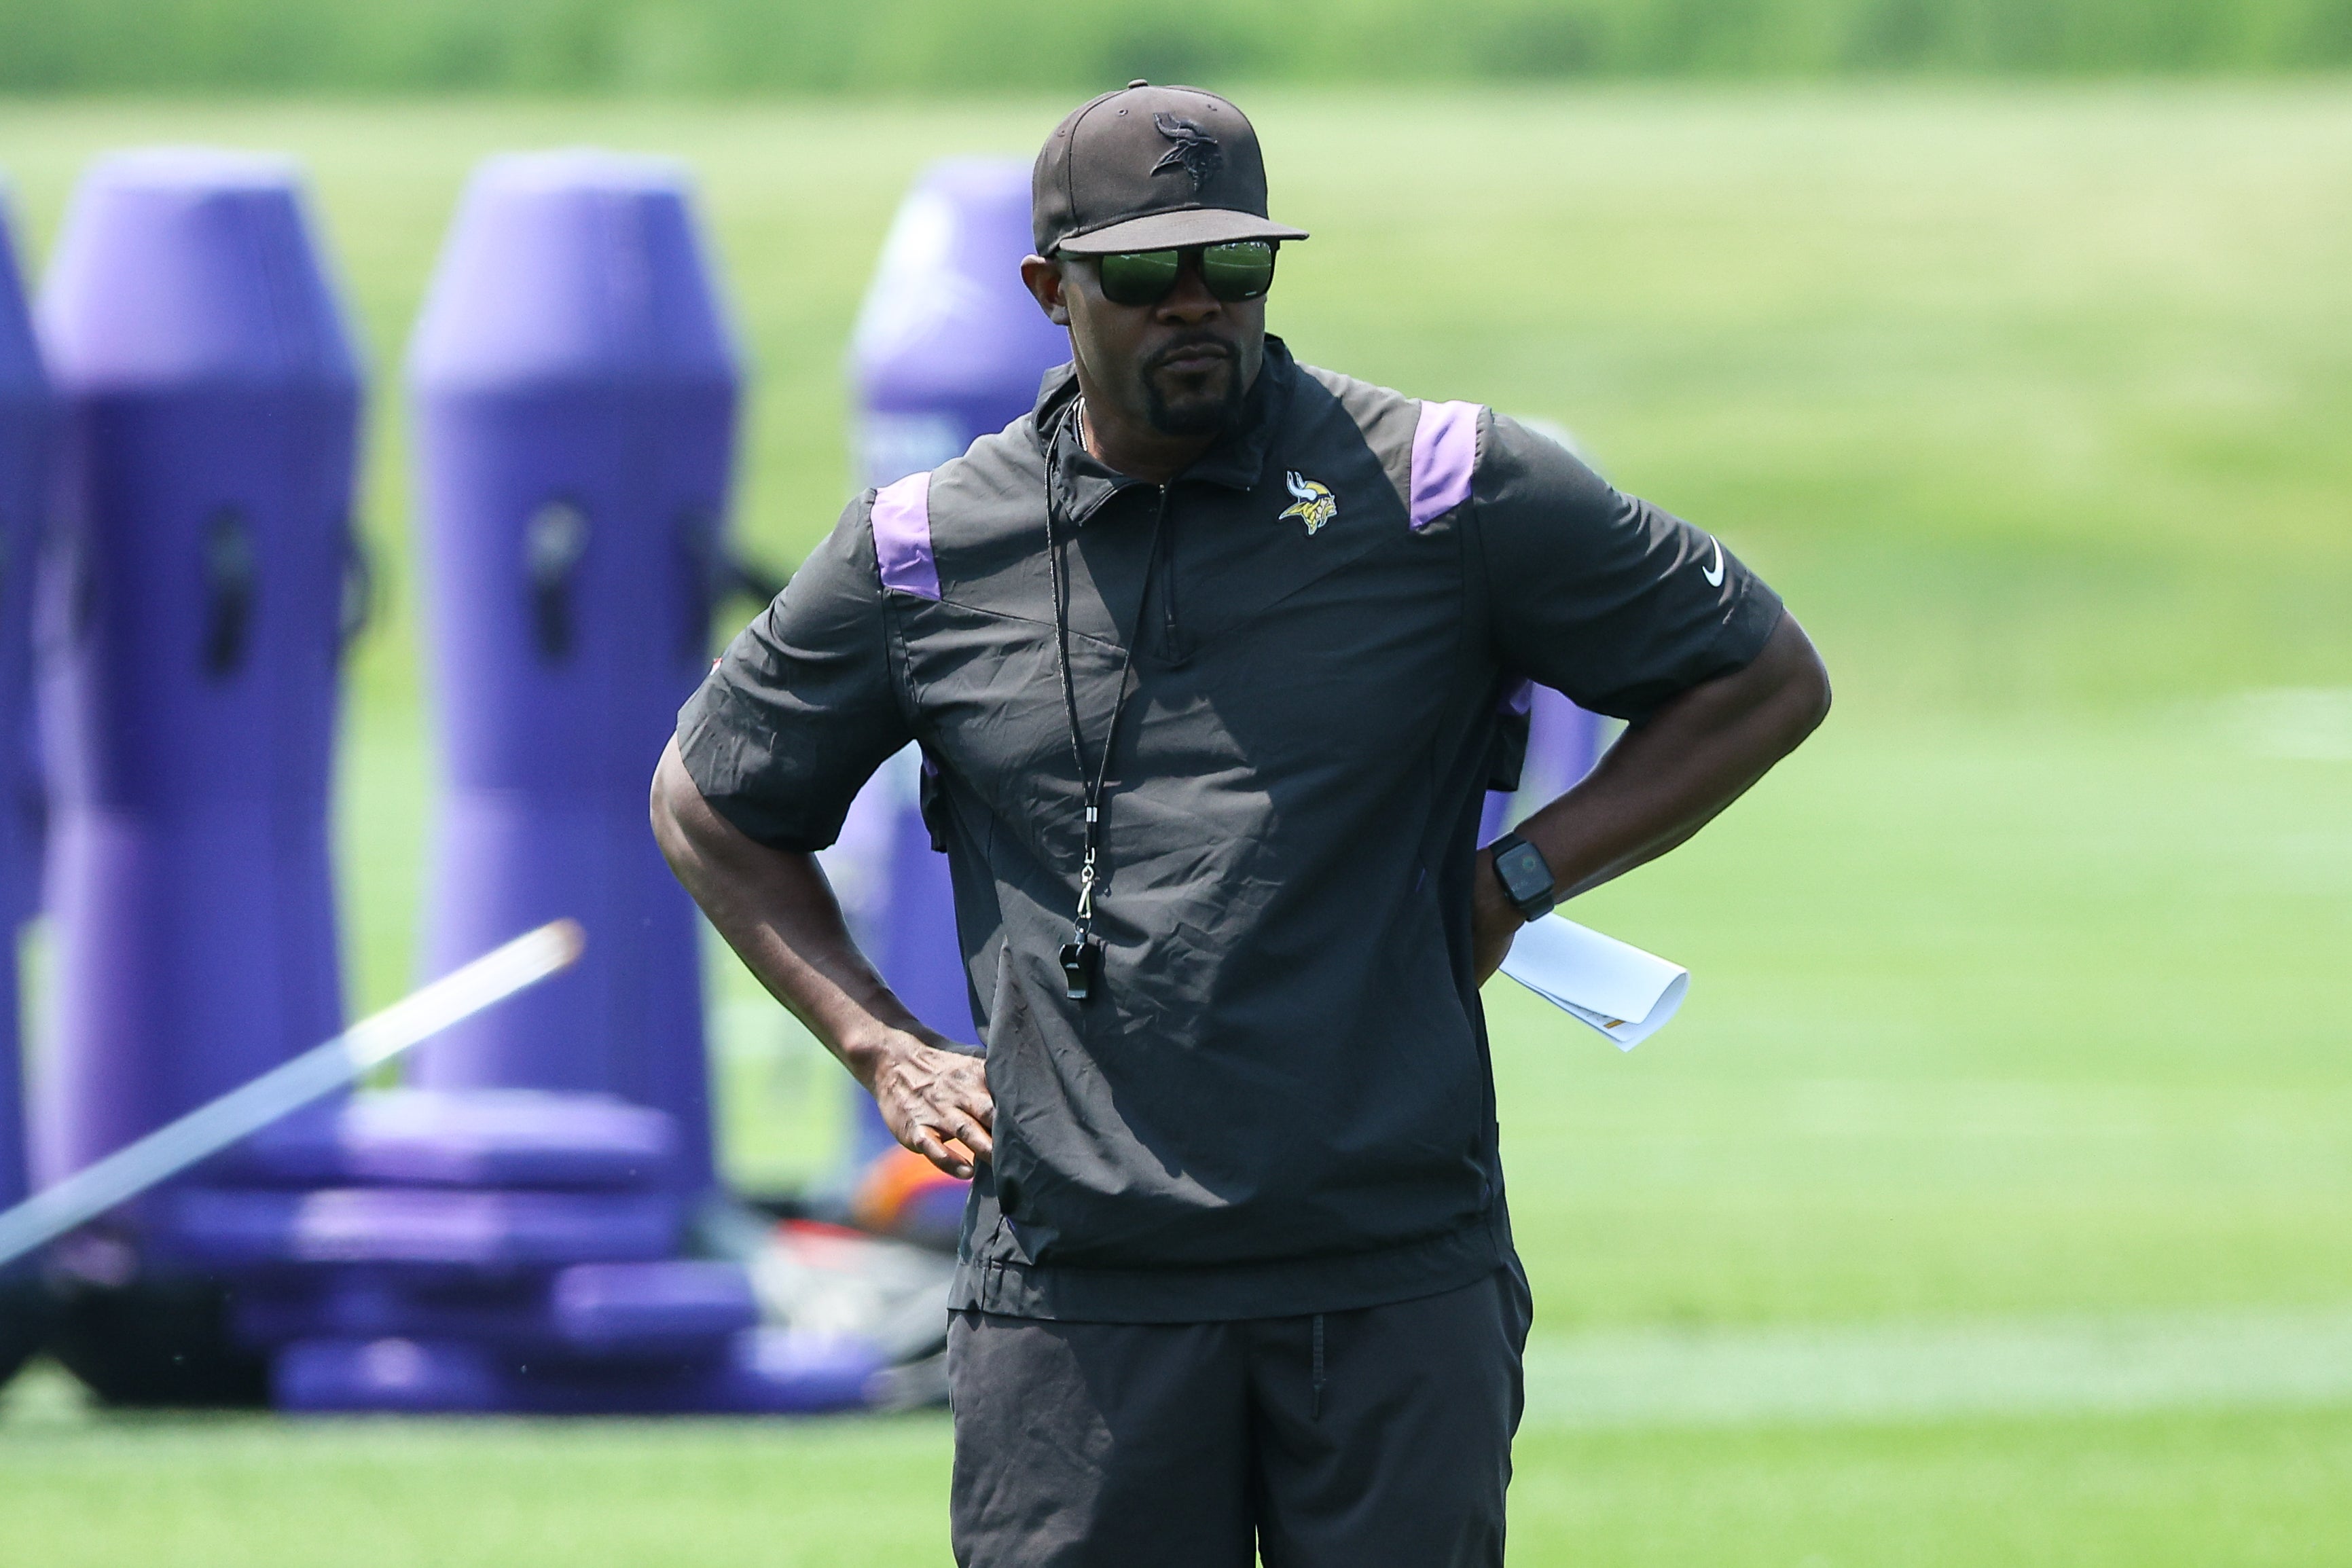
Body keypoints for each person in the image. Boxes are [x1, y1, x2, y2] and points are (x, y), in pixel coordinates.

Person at [652, 81, 1830, 1568]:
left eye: (1238, 266)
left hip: (1389, 1268)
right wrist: (881, 1044)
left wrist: (1514, 879)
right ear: (1050, 291)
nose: (1197, 305)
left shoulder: (1441, 487)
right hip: (1079, 1299)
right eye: (1146, 275)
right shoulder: (927, 551)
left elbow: (1760, 679)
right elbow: (709, 801)